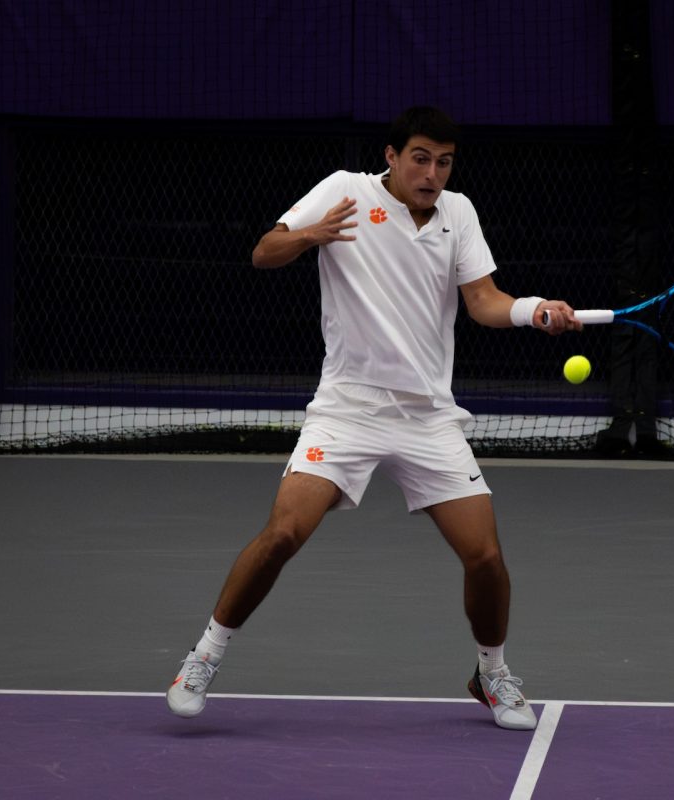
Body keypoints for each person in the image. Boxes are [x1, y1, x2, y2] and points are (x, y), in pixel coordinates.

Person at [167, 106, 580, 731]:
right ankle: (203, 657)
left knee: (486, 558)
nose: (432, 173)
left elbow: (483, 301)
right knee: (282, 534)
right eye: (420, 157)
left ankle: (491, 672)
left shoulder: (458, 213)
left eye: (443, 162)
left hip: (428, 419)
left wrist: (532, 310)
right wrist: (311, 236)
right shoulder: (344, 191)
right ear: (391, 155)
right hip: (348, 410)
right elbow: (263, 252)